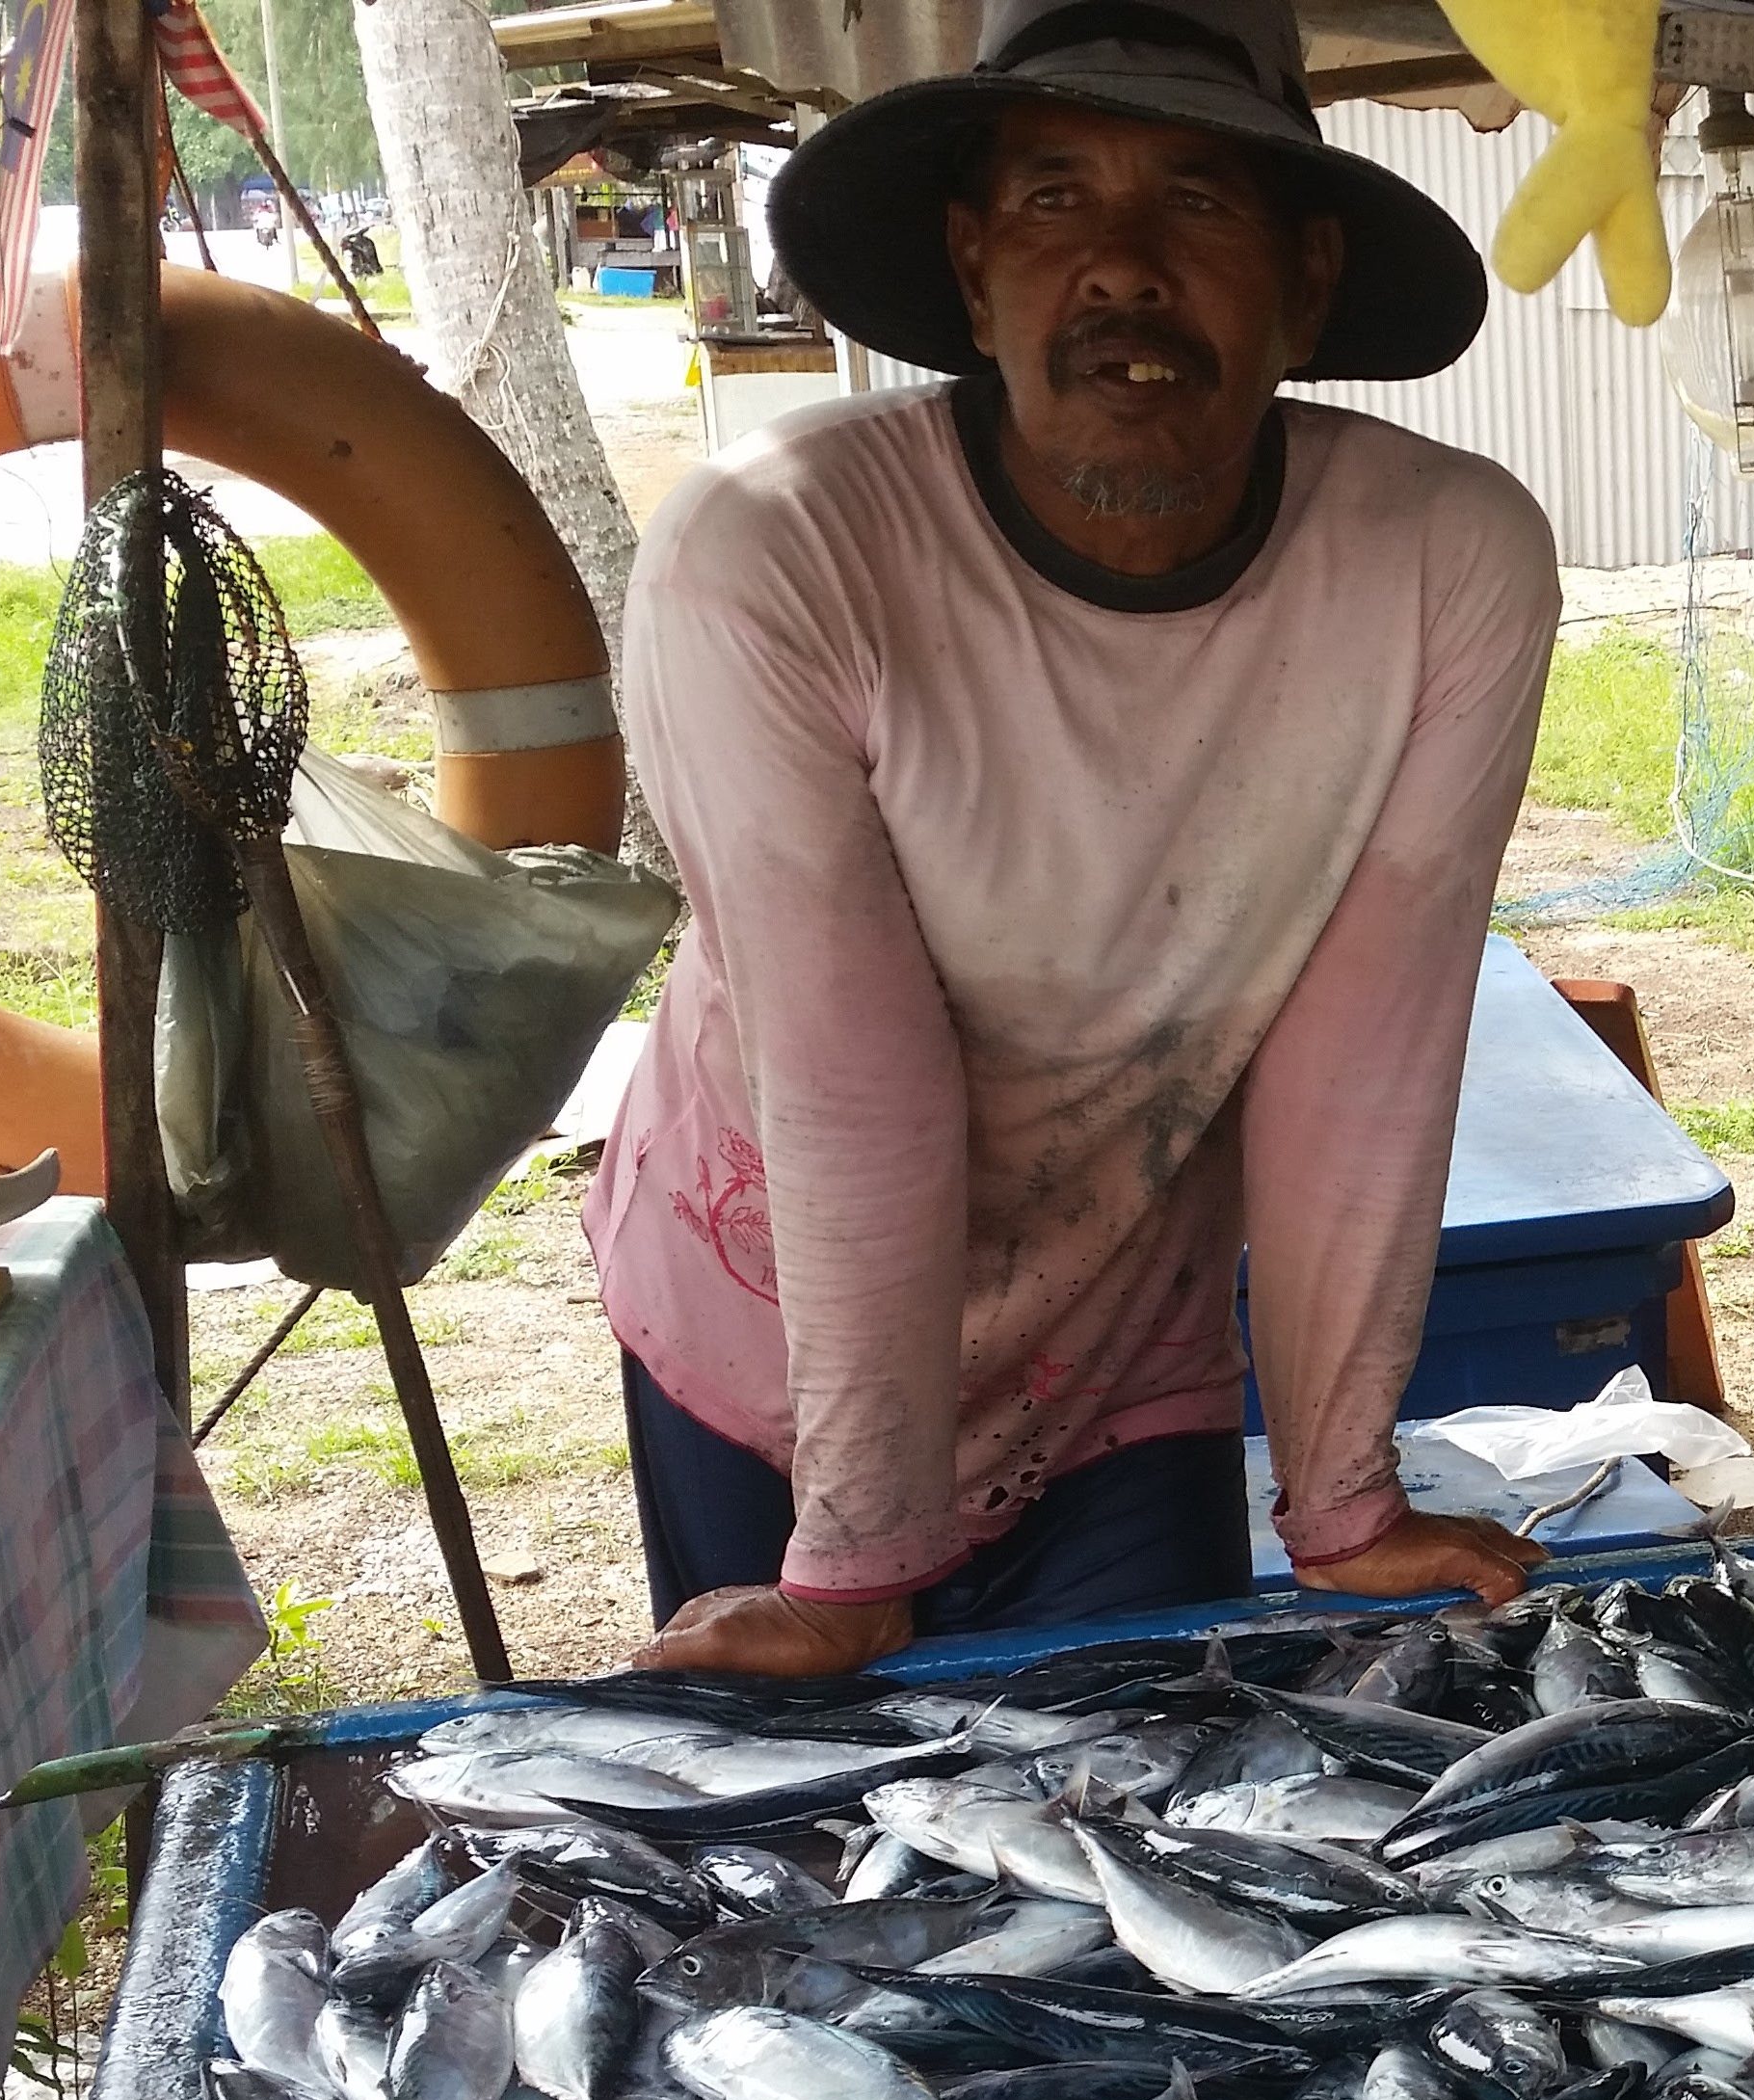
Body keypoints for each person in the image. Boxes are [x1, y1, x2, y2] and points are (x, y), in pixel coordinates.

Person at [584, 0, 1555, 1676]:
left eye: (1197, 200)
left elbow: (1368, 1053)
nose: (1119, 268)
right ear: (972, 272)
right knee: (810, 1859)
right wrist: (853, 1558)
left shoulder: (1447, 562)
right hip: (776, 1321)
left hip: (1121, 1341)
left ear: (1308, 279)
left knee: (1133, 1810)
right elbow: (846, 1064)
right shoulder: (771, 553)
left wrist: (1338, 1498)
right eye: (1052, 200)